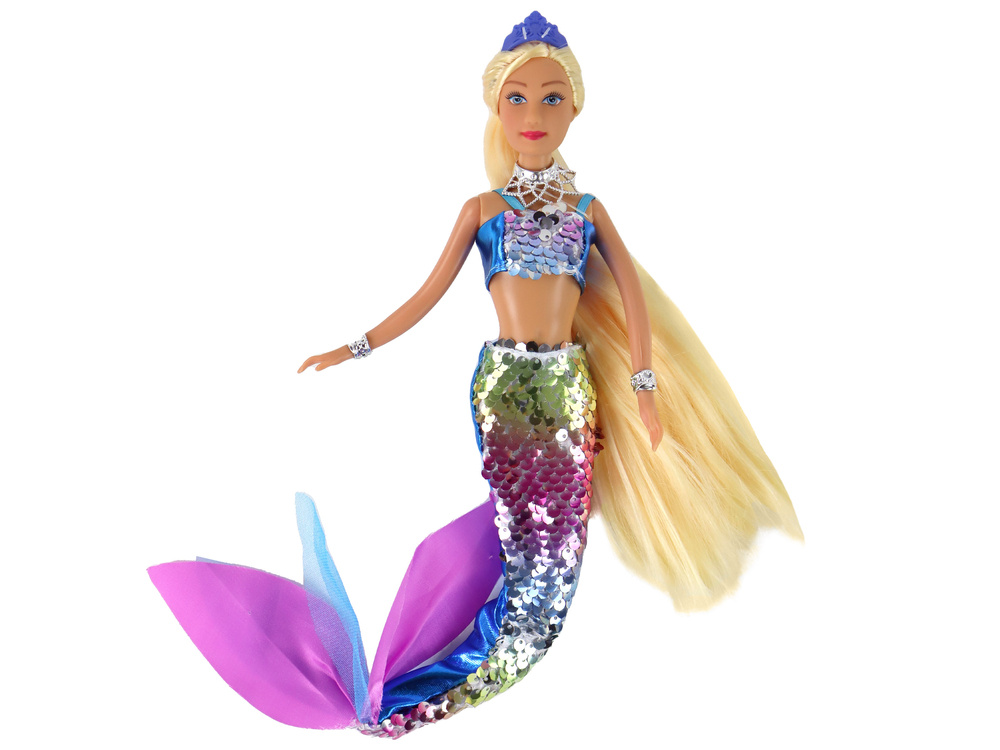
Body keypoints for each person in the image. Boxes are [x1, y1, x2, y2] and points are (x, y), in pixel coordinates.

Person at [149, 11, 803, 740]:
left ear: (576, 109)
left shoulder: (588, 212)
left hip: (570, 390)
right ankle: (403, 705)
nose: (533, 114)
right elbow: (425, 295)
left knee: (547, 578)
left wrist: (644, 390)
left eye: (552, 98)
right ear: (496, 108)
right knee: (532, 568)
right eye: (517, 98)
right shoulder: (484, 211)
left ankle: (412, 696)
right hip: (509, 393)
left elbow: (635, 305)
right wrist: (354, 346)